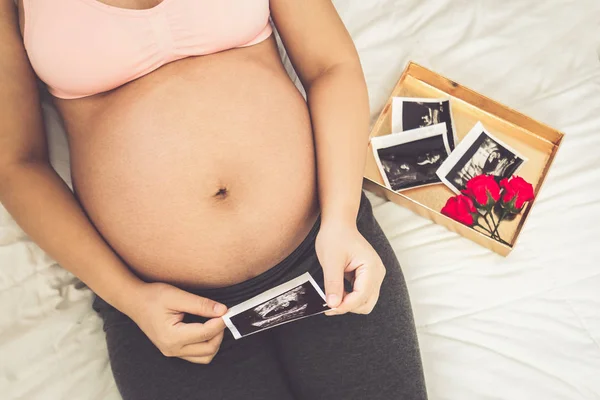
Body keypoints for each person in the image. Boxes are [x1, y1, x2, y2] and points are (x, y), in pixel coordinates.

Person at [0, 0, 427, 399]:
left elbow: (330, 65)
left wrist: (341, 219)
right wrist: (129, 297)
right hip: (162, 307)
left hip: (326, 250)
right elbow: (16, 164)